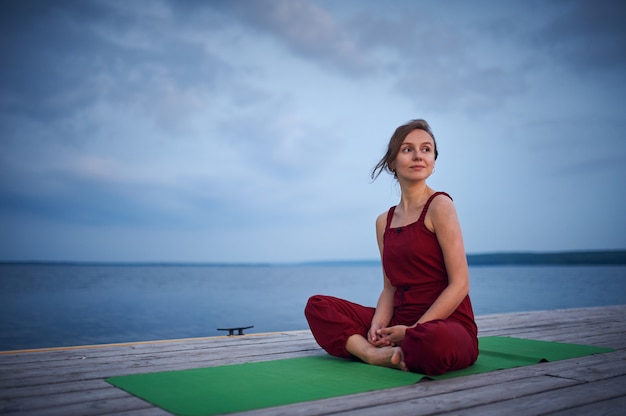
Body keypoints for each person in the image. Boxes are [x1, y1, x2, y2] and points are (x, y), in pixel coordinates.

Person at [304, 119, 478, 375]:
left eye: (426, 149)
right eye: (408, 149)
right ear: (392, 162)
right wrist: (377, 326)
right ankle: (372, 354)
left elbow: (460, 284)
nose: (418, 155)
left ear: (433, 162)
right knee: (318, 306)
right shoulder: (383, 222)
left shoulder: (440, 205)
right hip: (400, 321)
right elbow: (390, 287)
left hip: (444, 323)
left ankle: (400, 347)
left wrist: (412, 331)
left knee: (429, 342)